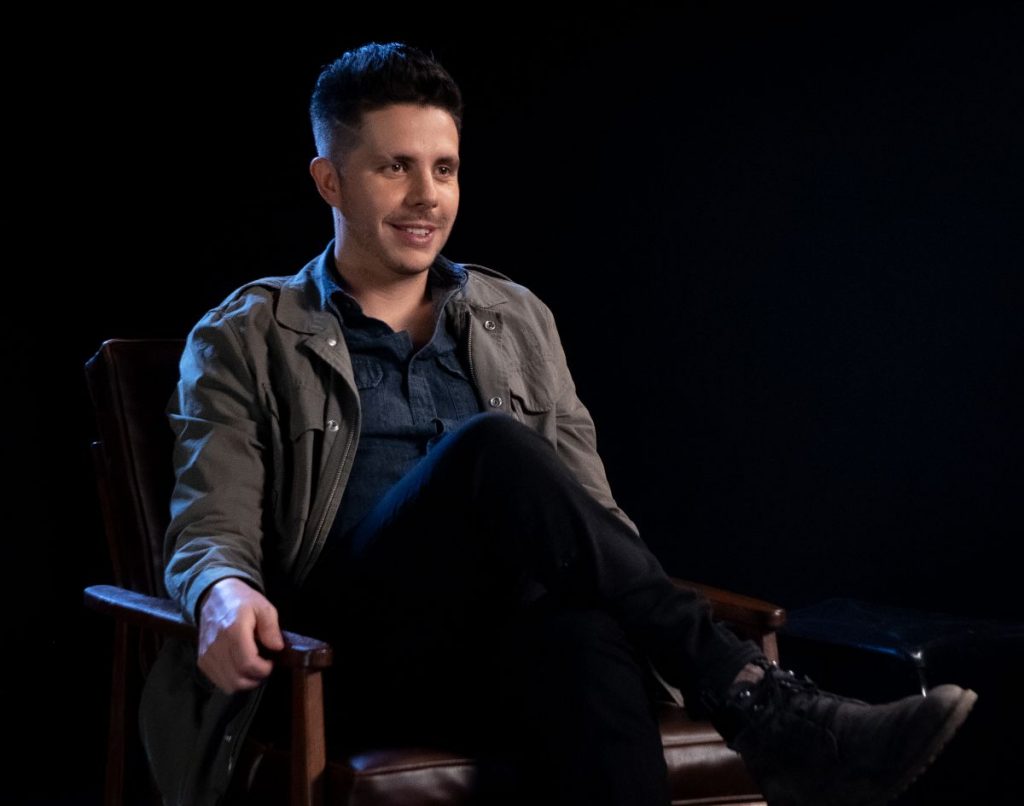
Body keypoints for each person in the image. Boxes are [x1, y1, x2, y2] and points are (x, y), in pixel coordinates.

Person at [140, 42, 976, 806]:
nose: (428, 196)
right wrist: (221, 590)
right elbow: (210, 525)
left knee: (583, 640)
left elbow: (590, 517)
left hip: (505, 647)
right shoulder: (247, 335)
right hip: (347, 659)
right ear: (330, 181)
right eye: (396, 167)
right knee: (490, 448)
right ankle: (760, 702)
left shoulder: (516, 318)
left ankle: (771, 719)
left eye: (444, 168)